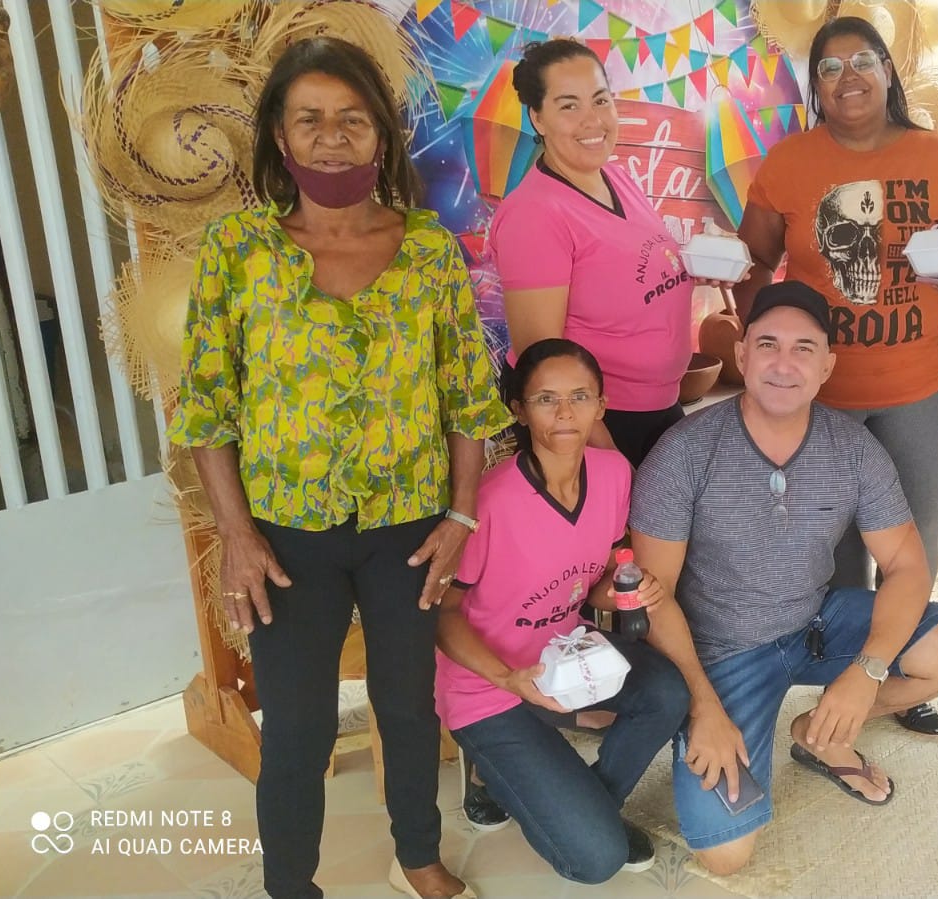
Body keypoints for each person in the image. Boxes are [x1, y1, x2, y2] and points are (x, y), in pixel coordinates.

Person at [168, 37, 509, 899]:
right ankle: (291, 884)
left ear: (380, 136)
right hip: (284, 537)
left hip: (409, 528)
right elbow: (207, 408)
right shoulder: (239, 250)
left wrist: (461, 516)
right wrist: (237, 536)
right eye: (310, 119)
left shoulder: (428, 249)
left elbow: (466, 396)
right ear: (280, 136)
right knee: (297, 727)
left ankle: (419, 854)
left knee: (408, 704)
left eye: (352, 119)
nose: (331, 137)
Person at [628, 281, 938, 876]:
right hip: (720, 653)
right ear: (741, 354)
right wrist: (702, 706)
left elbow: (906, 564)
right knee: (725, 854)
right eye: (767, 344)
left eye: (804, 348)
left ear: (827, 366)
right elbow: (653, 596)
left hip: (813, 623)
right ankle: (713, 728)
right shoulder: (685, 451)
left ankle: (819, 733)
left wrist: (866, 673)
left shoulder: (852, 449)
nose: (783, 363)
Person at [735, 16, 938, 736]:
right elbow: (755, 261)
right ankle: (841, 676)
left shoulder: (935, 155)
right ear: (815, 86)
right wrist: (755, 340)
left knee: (918, 532)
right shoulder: (790, 162)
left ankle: (903, 674)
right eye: (829, 66)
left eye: (863, 60)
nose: (847, 77)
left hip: (920, 386)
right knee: (835, 541)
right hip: (822, 395)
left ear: (888, 71)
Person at [433, 338, 692, 881]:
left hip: (565, 654)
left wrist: (630, 587)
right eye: (546, 399)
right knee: (595, 861)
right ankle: (498, 770)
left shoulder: (614, 475)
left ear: (601, 405)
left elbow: (591, 585)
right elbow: (443, 614)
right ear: (518, 410)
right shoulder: (488, 503)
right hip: (488, 686)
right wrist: (507, 678)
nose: (566, 412)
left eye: (580, 396)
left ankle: (587, 802)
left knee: (668, 691)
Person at [488, 38, 736, 468]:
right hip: (597, 422)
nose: (593, 119)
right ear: (537, 117)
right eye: (569, 105)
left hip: (656, 407)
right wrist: (605, 455)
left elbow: (627, 267)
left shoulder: (616, 178)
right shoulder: (534, 214)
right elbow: (542, 360)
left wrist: (695, 269)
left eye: (600, 100)